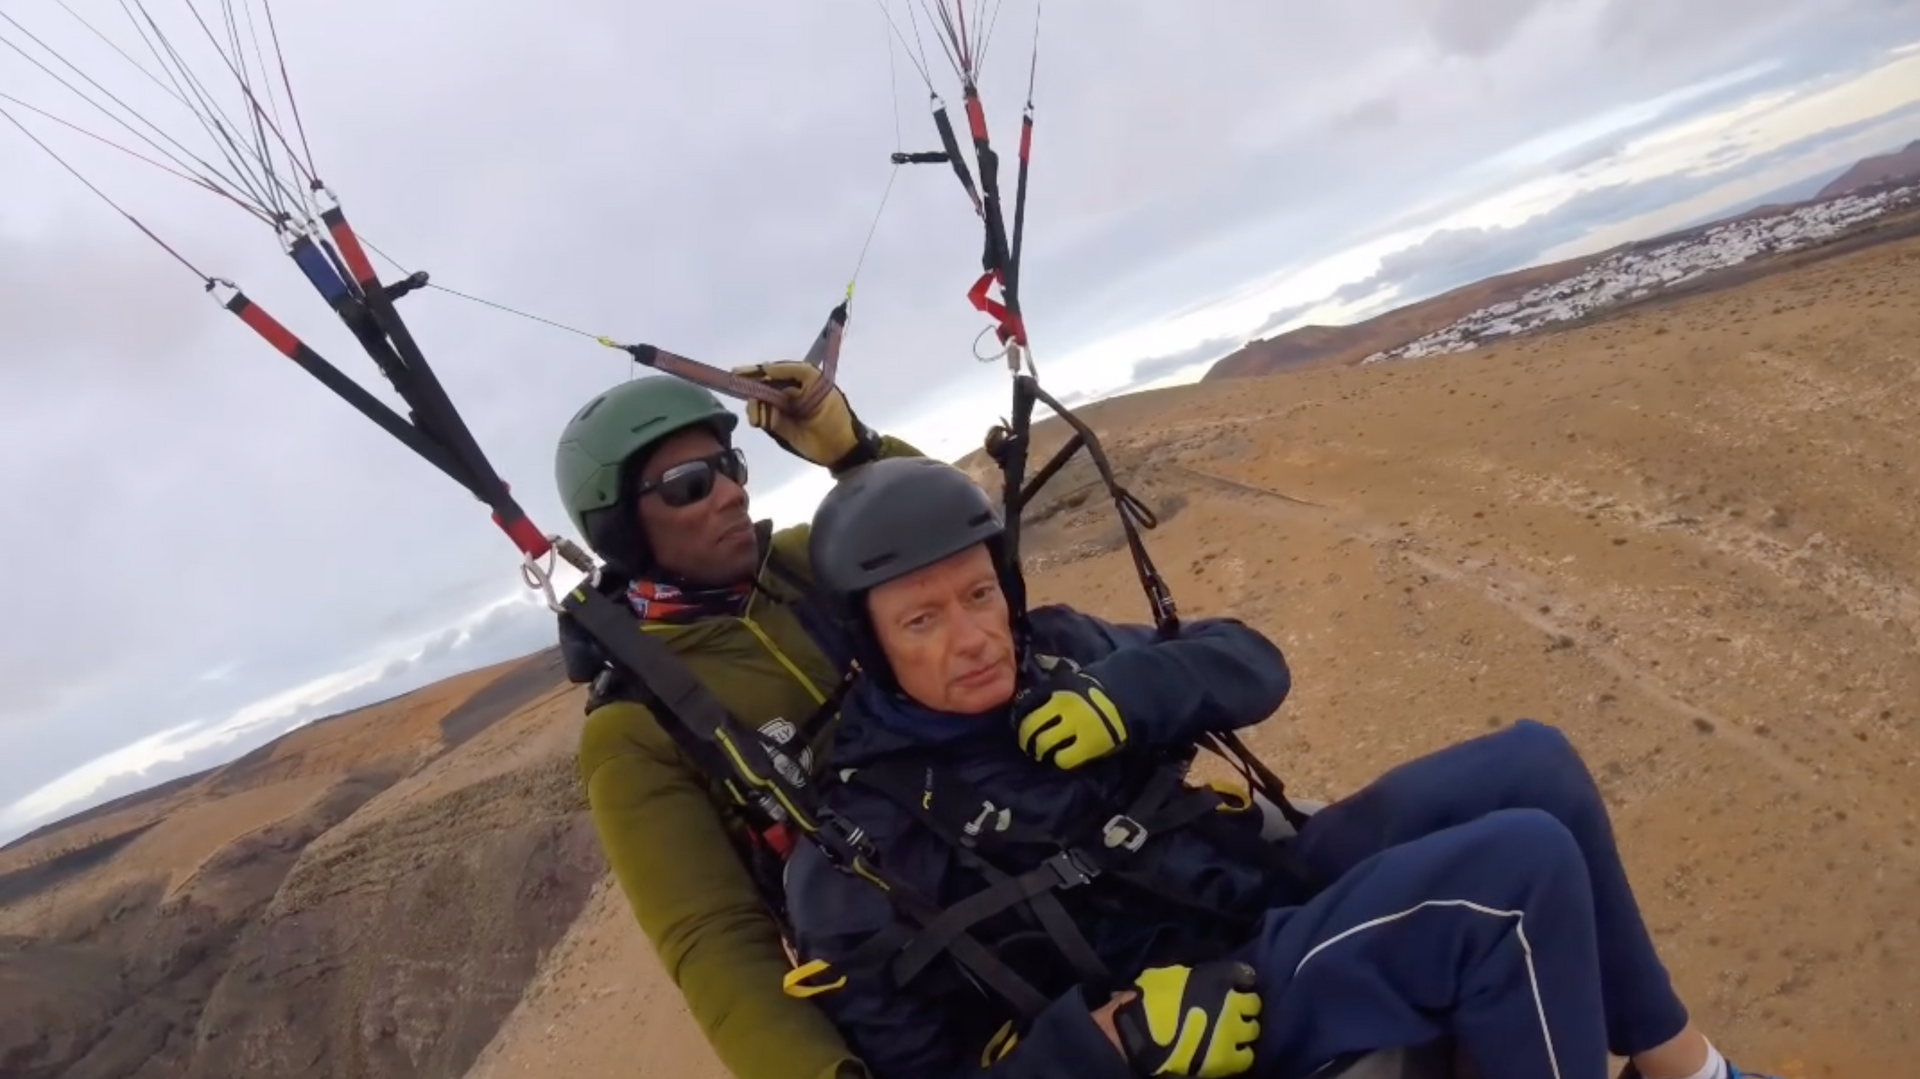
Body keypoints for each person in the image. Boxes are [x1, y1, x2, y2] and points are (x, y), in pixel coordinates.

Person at [780, 455, 1786, 1079]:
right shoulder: (859, 856)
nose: (974, 636)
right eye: (923, 619)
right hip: (1212, 996)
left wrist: (1132, 695)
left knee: (1536, 765)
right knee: (1515, 873)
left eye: (978, 594)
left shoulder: (1060, 651)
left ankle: (1685, 1067)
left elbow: (1253, 663)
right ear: (866, 647)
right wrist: (1108, 1045)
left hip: (1255, 878)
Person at [553, 361, 920, 1079]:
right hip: (910, 973)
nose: (732, 492)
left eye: (730, 465)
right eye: (691, 485)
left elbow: (956, 542)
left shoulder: (804, 567)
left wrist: (855, 452)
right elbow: (713, 941)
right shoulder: (632, 727)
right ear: (625, 529)